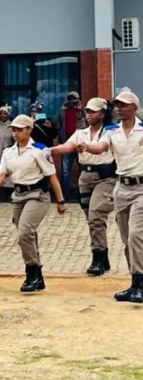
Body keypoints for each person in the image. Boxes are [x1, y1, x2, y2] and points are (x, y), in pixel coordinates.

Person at [0, 114, 66, 293]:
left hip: (37, 195)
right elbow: (1, 174)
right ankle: (37, 276)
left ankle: (32, 272)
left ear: (29, 130)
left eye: (20, 130)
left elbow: (52, 176)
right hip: (18, 195)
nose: (16, 133)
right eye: (13, 130)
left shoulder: (39, 150)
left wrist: (60, 201)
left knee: (25, 232)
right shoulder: (8, 152)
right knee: (27, 235)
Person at [77, 89, 143, 303]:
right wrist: (87, 146)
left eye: (123, 105)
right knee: (126, 238)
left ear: (134, 107)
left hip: (141, 188)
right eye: (116, 105)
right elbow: (101, 147)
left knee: (136, 235)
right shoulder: (112, 131)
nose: (118, 109)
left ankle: (140, 284)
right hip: (121, 188)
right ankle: (135, 283)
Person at [50, 97, 116, 276]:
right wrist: (51, 150)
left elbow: (101, 148)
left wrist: (86, 147)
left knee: (96, 215)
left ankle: (97, 257)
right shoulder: (81, 132)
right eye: (87, 111)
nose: (89, 114)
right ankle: (103, 256)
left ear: (103, 113)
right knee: (92, 220)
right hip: (85, 177)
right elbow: (67, 146)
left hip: (105, 178)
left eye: (93, 111)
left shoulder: (110, 131)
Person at [54, 93, 85, 200]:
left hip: (79, 145)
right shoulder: (63, 111)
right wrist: (61, 109)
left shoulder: (81, 112)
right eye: (70, 99)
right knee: (66, 171)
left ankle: (82, 193)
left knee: (83, 169)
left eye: (74, 99)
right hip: (66, 144)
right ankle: (65, 195)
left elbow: (86, 124)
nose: (72, 101)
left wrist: (81, 109)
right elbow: (55, 123)